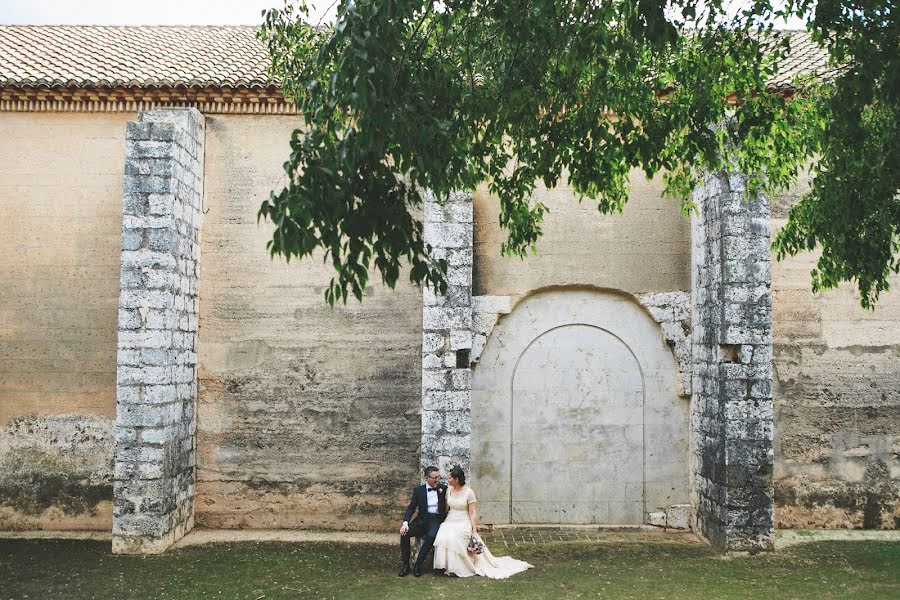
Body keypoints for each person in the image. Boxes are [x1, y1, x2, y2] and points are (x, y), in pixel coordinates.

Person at [433, 465, 533, 579]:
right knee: (443, 534)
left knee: (455, 537)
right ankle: (448, 567)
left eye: (450, 478)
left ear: (456, 480)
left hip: (463, 520)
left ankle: (460, 567)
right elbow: (447, 508)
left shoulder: (469, 492)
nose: (448, 480)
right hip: (451, 519)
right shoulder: (449, 490)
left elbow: (472, 512)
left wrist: (474, 530)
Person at [399, 465, 447, 577]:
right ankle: (406, 565)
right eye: (434, 478)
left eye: (438, 477)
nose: (437, 480)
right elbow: (411, 508)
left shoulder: (443, 489)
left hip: (435, 520)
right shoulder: (418, 491)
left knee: (431, 536)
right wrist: (405, 523)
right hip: (421, 520)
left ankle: (418, 564)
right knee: (404, 533)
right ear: (427, 478)